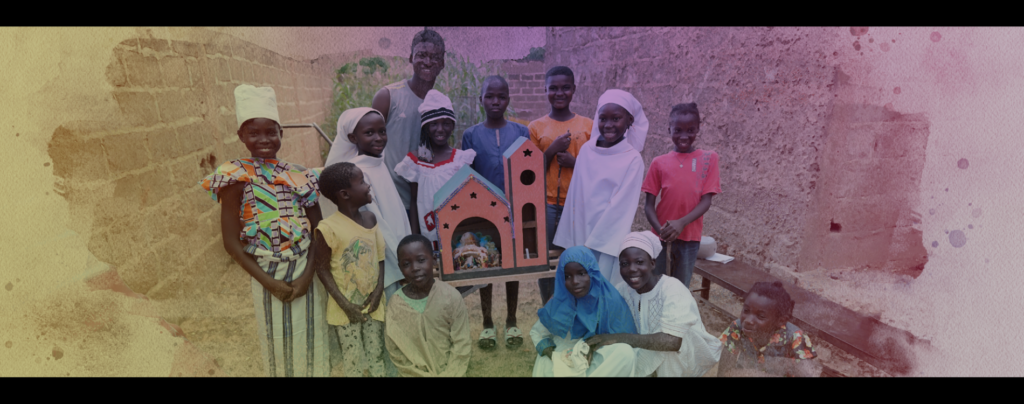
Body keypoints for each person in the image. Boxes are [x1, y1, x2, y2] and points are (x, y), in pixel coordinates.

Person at [199, 84, 329, 377]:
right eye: (254, 133)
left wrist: (308, 276)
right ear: (241, 136)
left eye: (272, 131)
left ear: (282, 133)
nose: (264, 139)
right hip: (264, 270)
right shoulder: (235, 177)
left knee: (311, 338)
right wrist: (268, 283)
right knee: (277, 343)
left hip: (303, 266)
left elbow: (319, 229)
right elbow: (231, 243)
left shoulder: (298, 175)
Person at [460, 75, 531, 350]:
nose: (495, 101)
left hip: (514, 211)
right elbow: (467, 174)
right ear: (481, 100)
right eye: (489, 96)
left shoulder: (521, 132)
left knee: (511, 264)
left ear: (508, 100)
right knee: (485, 262)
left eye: (501, 97)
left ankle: (512, 319)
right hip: (483, 212)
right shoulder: (471, 134)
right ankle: (487, 322)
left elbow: (527, 170)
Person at [588, 231, 722, 377]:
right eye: (625, 264)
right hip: (645, 347)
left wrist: (619, 338)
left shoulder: (672, 288)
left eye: (639, 262)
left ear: (652, 264)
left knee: (667, 353)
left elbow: (673, 342)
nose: (632, 269)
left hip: (681, 354)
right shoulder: (622, 290)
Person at [553, 89, 648, 287]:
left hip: (608, 238)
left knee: (603, 285)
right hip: (580, 231)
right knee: (578, 285)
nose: (608, 125)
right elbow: (575, 196)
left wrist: (595, 240)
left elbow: (622, 207)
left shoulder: (632, 159)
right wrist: (573, 237)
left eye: (616, 118)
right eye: (603, 118)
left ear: (630, 120)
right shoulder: (587, 150)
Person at [322, 108, 412, 305]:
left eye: (382, 131)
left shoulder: (377, 162)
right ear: (353, 137)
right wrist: (402, 257)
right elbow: (375, 222)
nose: (379, 138)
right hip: (385, 254)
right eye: (369, 133)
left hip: (398, 249)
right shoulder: (357, 172)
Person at [312, 162, 389, 377]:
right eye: (362, 181)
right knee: (353, 358)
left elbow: (380, 258)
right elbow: (322, 270)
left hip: (372, 305)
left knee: (376, 353)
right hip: (345, 308)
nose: (367, 185)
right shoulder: (328, 228)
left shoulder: (370, 219)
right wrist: (345, 305)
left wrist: (378, 292)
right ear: (345, 194)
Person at [529, 66, 593, 305]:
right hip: (546, 204)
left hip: (578, 203)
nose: (559, 93)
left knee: (576, 259)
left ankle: (576, 306)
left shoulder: (588, 125)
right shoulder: (536, 127)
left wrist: (574, 163)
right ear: (545, 90)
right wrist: (552, 149)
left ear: (574, 89)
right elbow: (531, 173)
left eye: (565, 87)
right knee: (546, 261)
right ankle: (550, 307)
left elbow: (596, 168)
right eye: (553, 88)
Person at [643, 103, 720, 288]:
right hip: (660, 236)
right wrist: (661, 230)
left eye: (690, 130)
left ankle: (675, 318)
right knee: (657, 284)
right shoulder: (659, 162)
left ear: (698, 130)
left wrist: (681, 223)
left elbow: (706, 201)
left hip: (690, 237)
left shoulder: (709, 159)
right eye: (677, 130)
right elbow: (648, 205)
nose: (684, 136)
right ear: (669, 128)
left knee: (680, 288)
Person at [530, 246, 637, 377]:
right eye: (568, 276)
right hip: (565, 356)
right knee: (544, 363)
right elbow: (538, 333)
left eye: (581, 273)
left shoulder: (609, 300)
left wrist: (593, 346)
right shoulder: (561, 300)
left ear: (592, 273)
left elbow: (624, 338)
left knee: (625, 353)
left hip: (597, 357)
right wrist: (555, 356)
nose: (575, 282)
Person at [371, 29, 446, 211]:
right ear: (411, 58)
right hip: (390, 199)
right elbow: (367, 150)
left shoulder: (440, 104)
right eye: (422, 55)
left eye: (434, 57)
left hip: (425, 201)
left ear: (442, 63)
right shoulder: (388, 96)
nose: (428, 62)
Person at [394, 90, 476, 250]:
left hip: (458, 232)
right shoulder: (416, 162)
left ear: (452, 125)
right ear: (425, 127)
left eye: (446, 123)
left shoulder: (460, 160)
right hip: (429, 235)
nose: (440, 129)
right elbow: (414, 200)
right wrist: (415, 239)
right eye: (433, 124)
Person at [386, 234, 472, 377]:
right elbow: (395, 350)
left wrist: (450, 374)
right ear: (400, 267)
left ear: (433, 260)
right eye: (406, 264)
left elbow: (461, 343)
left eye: (421, 260)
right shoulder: (396, 305)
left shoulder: (450, 297)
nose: (414, 268)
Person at [717, 281, 821, 377]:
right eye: (746, 310)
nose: (748, 320)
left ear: (781, 321)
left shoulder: (796, 337)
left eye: (761, 316)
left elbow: (806, 374)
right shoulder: (737, 328)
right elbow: (724, 371)